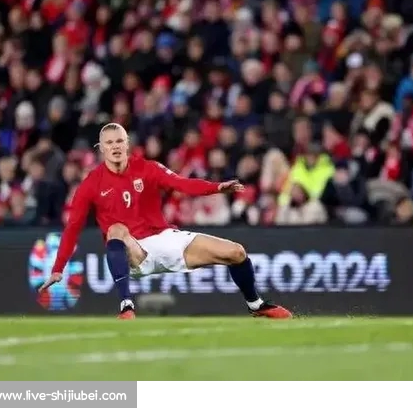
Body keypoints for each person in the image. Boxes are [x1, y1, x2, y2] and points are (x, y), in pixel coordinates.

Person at [38, 122, 292, 320]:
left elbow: (182, 184)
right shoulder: (91, 184)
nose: (115, 146)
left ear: (127, 144)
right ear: (101, 148)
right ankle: (126, 305)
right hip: (133, 251)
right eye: (109, 142)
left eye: (119, 141)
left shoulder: (147, 168)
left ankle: (256, 305)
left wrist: (216, 187)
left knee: (236, 252)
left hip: (164, 239)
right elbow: (73, 227)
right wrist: (58, 268)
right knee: (116, 229)